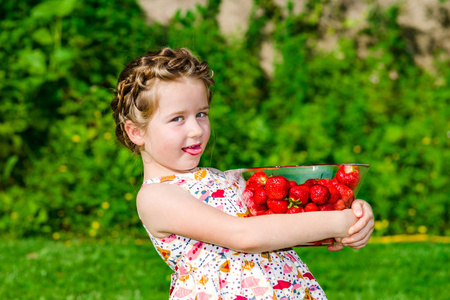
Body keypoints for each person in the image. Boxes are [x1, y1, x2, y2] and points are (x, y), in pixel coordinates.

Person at [111, 47, 374, 299]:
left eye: (201, 114)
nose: (196, 129)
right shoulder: (156, 196)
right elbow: (244, 235)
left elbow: (281, 219)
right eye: (177, 118)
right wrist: (338, 222)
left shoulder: (220, 177)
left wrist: (346, 211)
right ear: (136, 132)